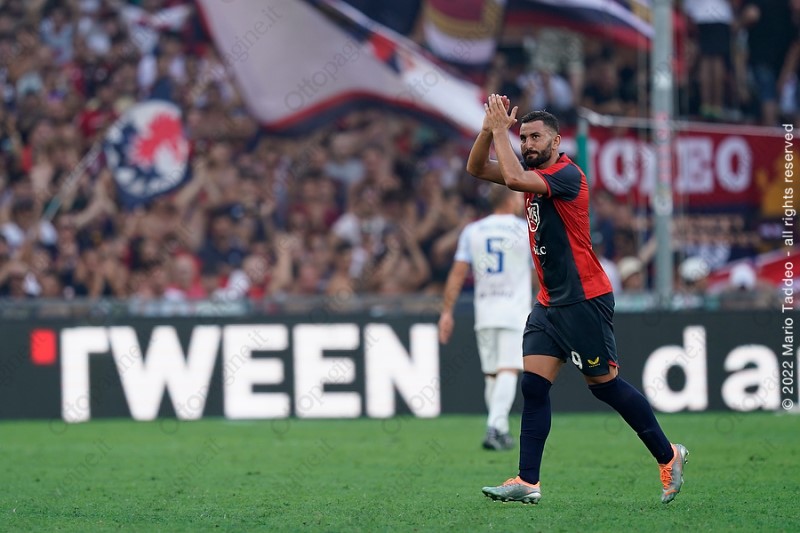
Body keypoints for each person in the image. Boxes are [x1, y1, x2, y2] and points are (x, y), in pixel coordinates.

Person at [466, 95, 688, 504]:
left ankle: (668, 455)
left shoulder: (566, 175)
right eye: (523, 137)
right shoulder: (532, 173)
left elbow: (512, 178)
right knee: (534, 386)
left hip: (584, 299)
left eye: (535, 137)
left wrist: (500, 132)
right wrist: (487, 130)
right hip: (550, 302)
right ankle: (527, 481)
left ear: (556, 141)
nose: (527, 143)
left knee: (605, 387)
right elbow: (477, 168)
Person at [438, 185, 535, 451]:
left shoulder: (473, 230)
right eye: (518, 197)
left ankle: (500, 430)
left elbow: (458, 273)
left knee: (493, 374)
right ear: (510, 200)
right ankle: (494, 427)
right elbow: (537, 272)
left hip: (485, 310)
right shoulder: (525, 230)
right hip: (514, 310)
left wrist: (447, 312)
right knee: (508, 369)